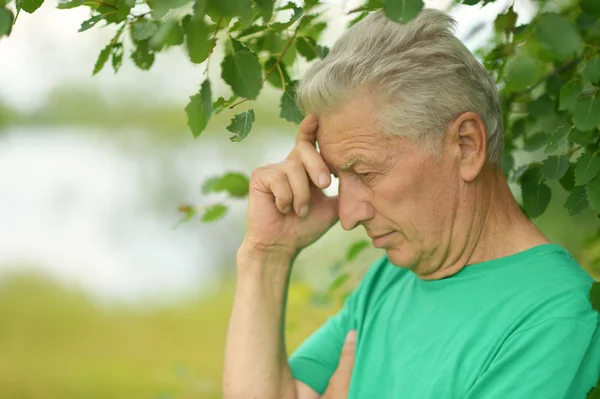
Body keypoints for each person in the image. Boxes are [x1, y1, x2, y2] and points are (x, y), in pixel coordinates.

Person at [222, 8, 600, 399]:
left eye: (365, 173)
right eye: (338, 176)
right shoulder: (391, 279)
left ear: (466, 145)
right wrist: (267, 255)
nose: (347, 216)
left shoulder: (556, 318)